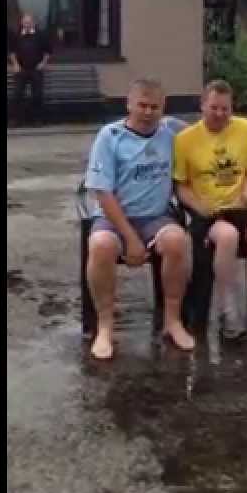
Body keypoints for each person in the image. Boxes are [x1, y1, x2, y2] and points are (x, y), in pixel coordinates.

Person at [84, 78, 195, 360]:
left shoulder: (171, 131)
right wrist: (131, 239)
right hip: (116, 216)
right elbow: (102, 192)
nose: (147, 112)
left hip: (155, 216)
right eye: (142, 105)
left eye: (154, 106)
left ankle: (172, 321)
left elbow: (211, 130)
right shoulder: (110, 136)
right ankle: (105, 326)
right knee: (100, 246)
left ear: (163, 108)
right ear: (129, 104)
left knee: (177, 241)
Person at [173, 80, 247, 343]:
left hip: (242, 206)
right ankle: (228, 308)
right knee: (228, 236)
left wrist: (246, 192)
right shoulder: (185, 140)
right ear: (202, 106)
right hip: (211, 212)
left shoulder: (246, 129)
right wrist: (200, 208)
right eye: (214, 108)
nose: (220, 114)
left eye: (226, 109)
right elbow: (181, 186)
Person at [8, 14, 53, 126]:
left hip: (36, 69)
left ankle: (37, 120)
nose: (27, 25)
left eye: (29, 22)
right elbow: (11, 51)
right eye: (25, 22)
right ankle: (15, 120)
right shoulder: (16, 35)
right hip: (21, 69)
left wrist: (43, 63)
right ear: (22, 23)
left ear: (33, 23)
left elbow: (48, 51)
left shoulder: (40, 35)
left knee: (37, 95)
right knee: (17, 94)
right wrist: (15, 64)